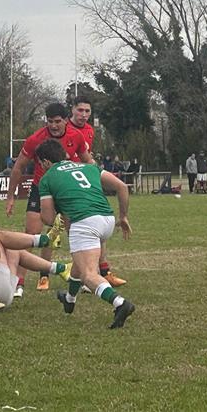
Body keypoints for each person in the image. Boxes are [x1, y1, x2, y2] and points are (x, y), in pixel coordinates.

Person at [34, 139, 137, 328]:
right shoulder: (89, 167)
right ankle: (69, 299)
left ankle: (120, 303)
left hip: (84, 223)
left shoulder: (47, 178)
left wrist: (59, 214)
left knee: (88, 274)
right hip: (107, 219)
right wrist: (123, 217)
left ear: (46, 162)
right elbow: (121, 187)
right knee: (79, 264)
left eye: (40, 163)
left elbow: (47, 218)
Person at [5, 102, 93, 296]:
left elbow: (88, 161)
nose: (53, 126)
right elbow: (18, 167)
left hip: (65, 189)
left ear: (65, 121)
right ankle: (19, 283)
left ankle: (87, 278)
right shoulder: (35, 139)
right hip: (41, 188)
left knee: (78, 233)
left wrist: (95, 181)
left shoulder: (76, 136)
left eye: (57, 122)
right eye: (50, 122)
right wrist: (11, 196)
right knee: (31, 233)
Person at [66, 97, 127, 287]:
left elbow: (87, 157)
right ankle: (86, 274)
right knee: (78, 229)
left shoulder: (90, 131)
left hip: (86, 178)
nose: (84, 115)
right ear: (72, 110)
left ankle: (103, 271)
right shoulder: (63, 128)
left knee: (98, 222)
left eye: (87, 111)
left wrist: (94, 172)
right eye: (80, 110)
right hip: (68, 182)